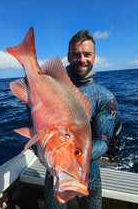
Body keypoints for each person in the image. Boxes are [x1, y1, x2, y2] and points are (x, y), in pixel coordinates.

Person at [44, 29, 121, 208]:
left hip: (90, 175)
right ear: (68, 57)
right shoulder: (50, 89)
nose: (82, 59)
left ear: (94, 57)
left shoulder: (104, 97)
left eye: (87, 54)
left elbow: (102, 143)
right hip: (54, 173)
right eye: (76, 55)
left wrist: (70, 163)